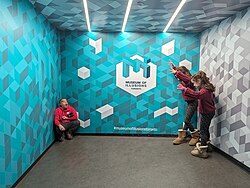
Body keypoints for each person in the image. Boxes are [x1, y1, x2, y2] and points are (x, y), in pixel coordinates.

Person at [177, 71, 216, 158]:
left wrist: (185, 89)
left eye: (195, 82)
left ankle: (202, 150)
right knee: (205, 129)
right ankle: (207, 145)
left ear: (199, 81)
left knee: (202, 130)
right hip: (209, 112)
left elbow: (196, 95)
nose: (194, 85)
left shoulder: (204, 91)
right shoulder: (207, 89)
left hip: (207, 113)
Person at [169, 61, 199, 146]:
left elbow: (186, 79)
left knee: (187, 120)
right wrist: (174, 68)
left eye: (179, 75)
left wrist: (177, 72)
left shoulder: (190, 80)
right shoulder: (183, 80)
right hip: (189, 102)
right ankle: (182, 136)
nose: (178, 78)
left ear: (183, 74)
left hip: (193, 102)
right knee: (187, 119)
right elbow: (179, 77)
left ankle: (195, 136)